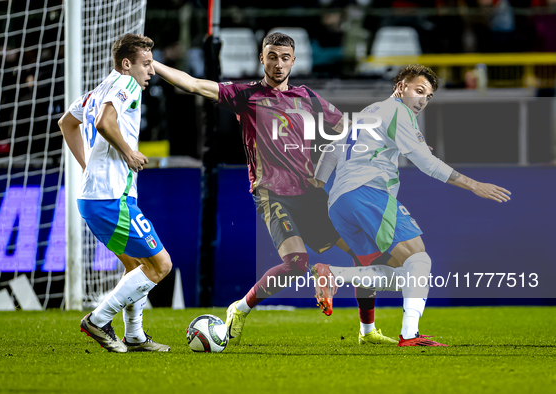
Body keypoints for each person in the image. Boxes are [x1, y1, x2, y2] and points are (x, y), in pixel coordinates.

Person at [153, 32, 396, 346]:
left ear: (293, 61)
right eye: (272, 56)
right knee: (296, 263)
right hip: (272, 193)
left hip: (310, 194)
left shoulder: (307, 97)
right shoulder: (247, 95)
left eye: (284, 58)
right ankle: (239, 309)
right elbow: (194, 84)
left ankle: (367, 332)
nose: (278, 64)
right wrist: (154, 64)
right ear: (261, 59)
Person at [311, 64, 511, 347]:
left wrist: (318, 184)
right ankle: (409, 335)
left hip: (339, 203)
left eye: (428, 97)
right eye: (418, 91)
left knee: (399, 272)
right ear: (401, 86)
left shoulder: (369, 112)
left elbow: (332, 149)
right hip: (368, 193)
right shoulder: (398, 111)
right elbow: (427, 165)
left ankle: (335, 276)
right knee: (419, 258)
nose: (422, 101)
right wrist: (474, 185)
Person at [58, 34, 172, 353]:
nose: (151, 71)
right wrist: (128, 153)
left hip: (94, 196)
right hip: (111, 198)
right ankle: (98, 319)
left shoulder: (97, 91)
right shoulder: (126, 84)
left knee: (137, 266)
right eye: (146, 64)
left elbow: (66, 123)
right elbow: (106, 122)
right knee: (161, 266)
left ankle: (134, 335)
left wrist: (86, 166)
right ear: (127, 64)